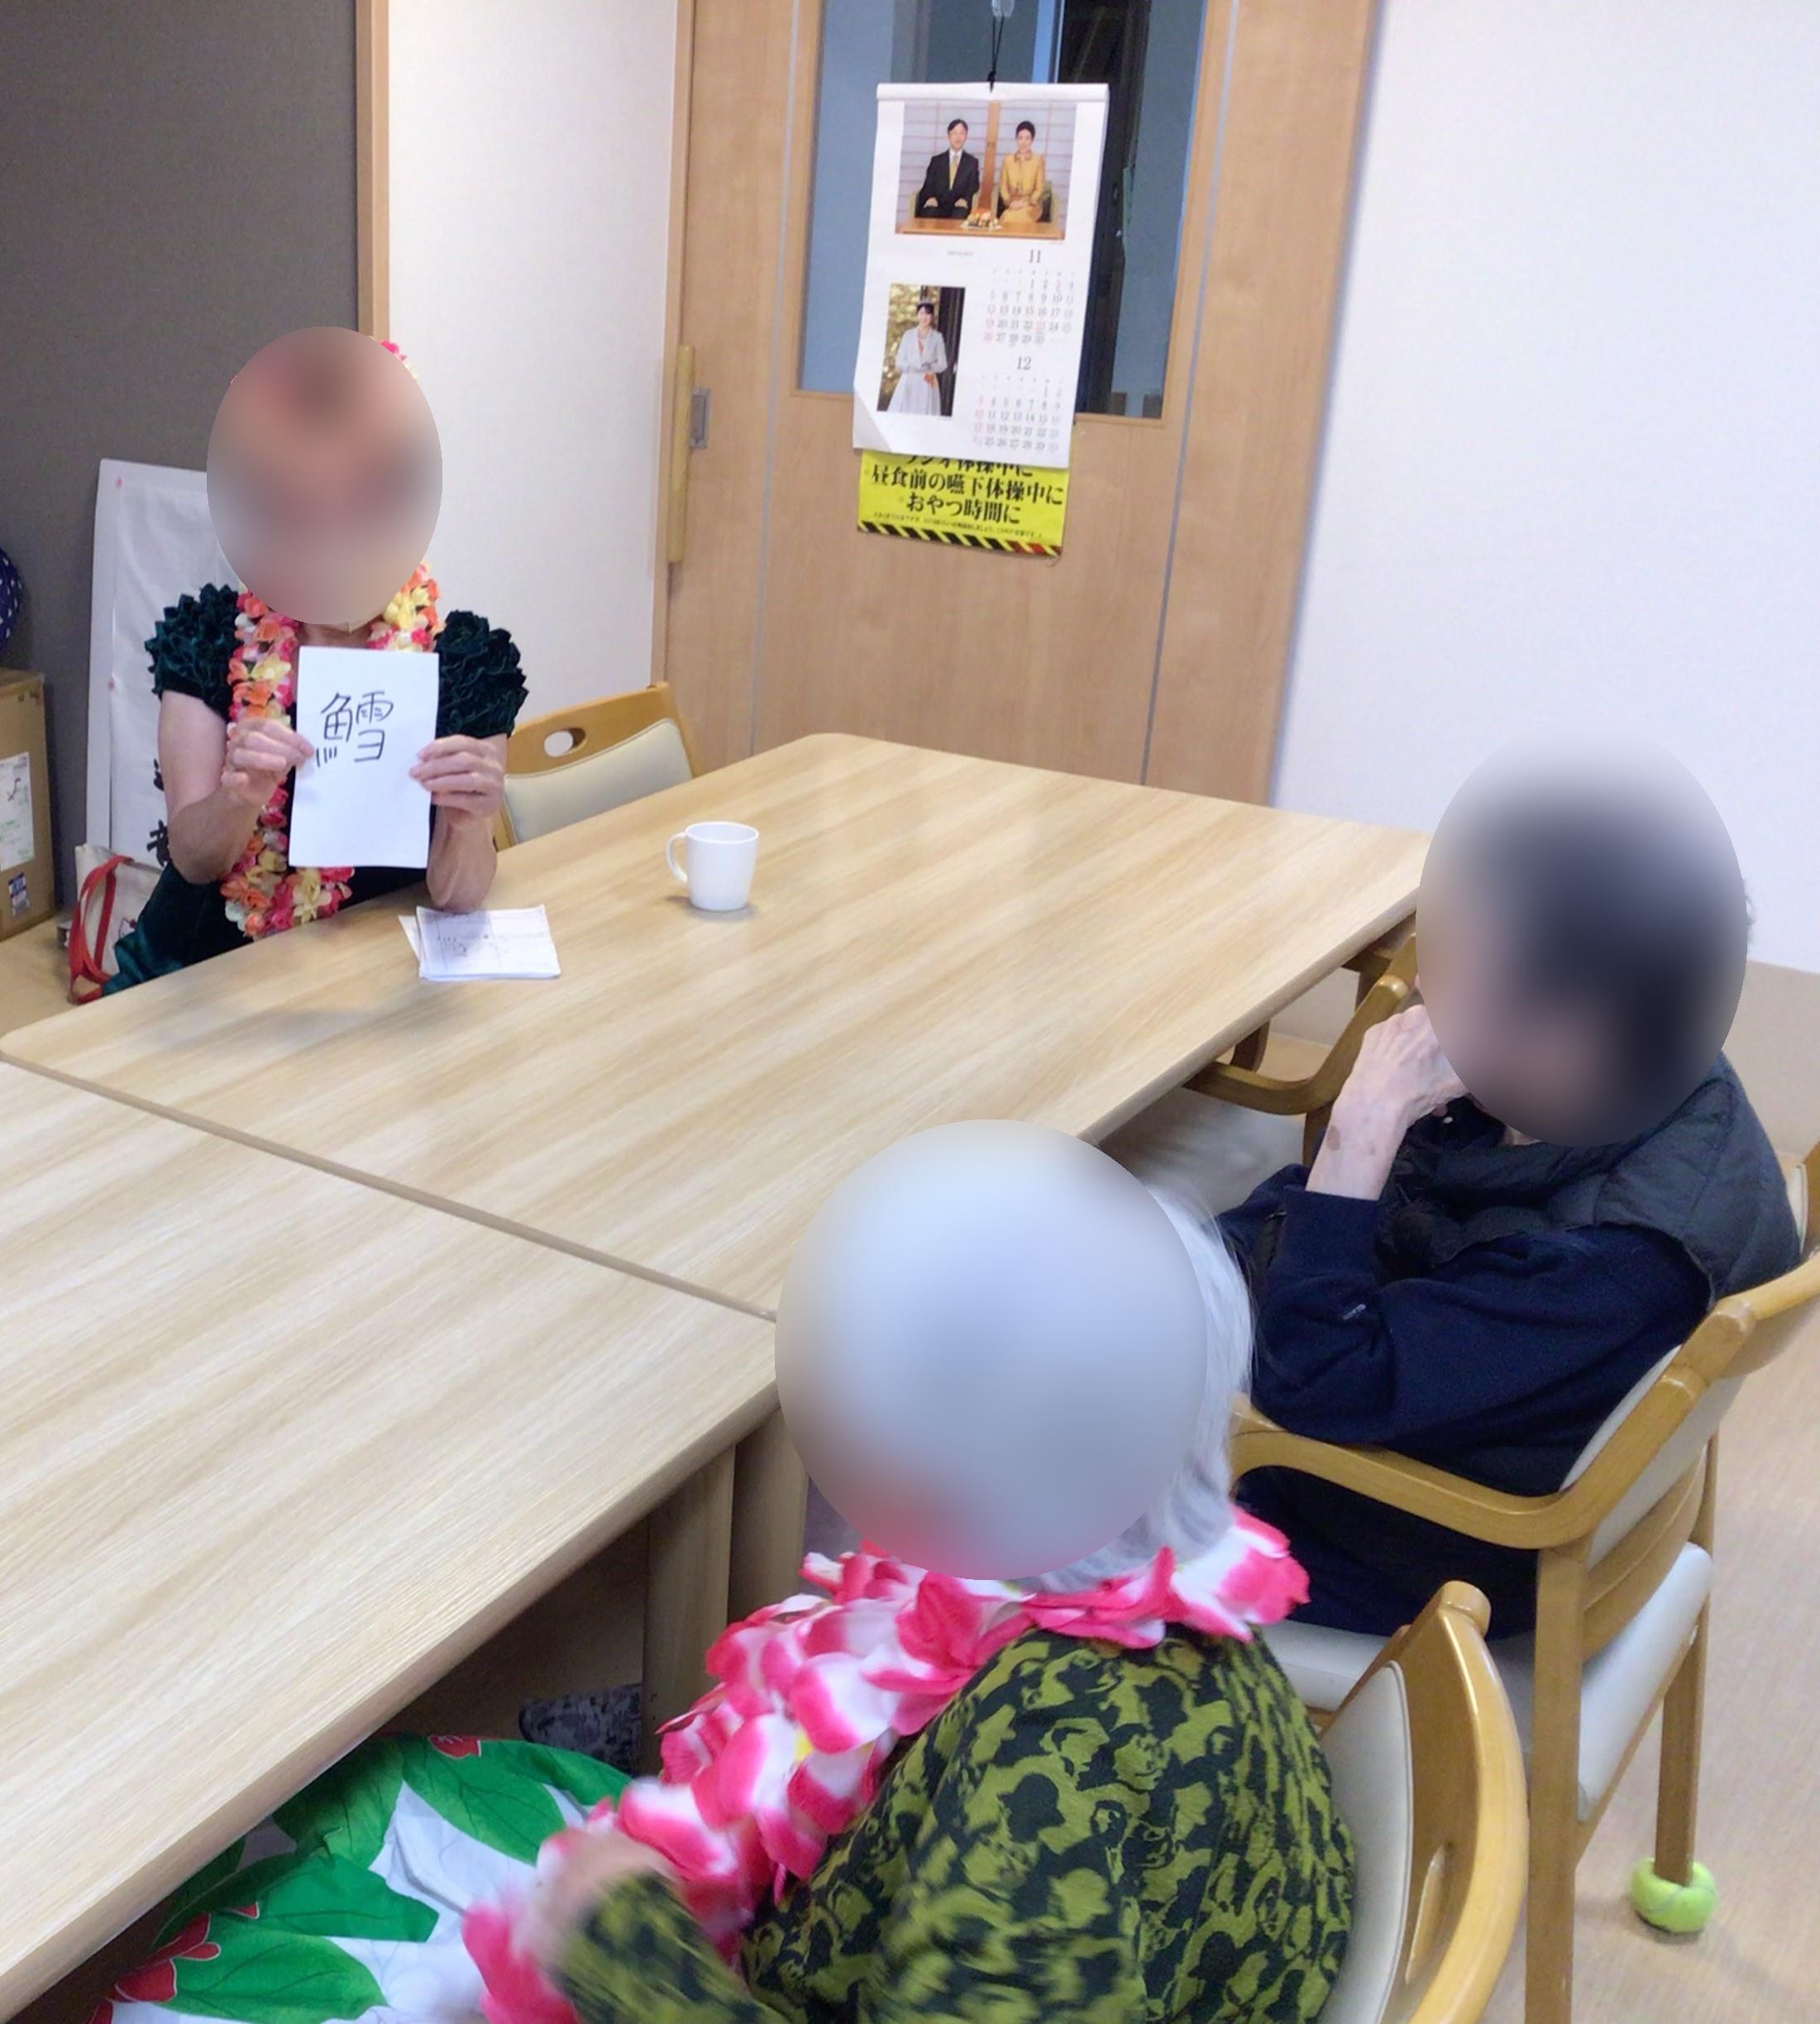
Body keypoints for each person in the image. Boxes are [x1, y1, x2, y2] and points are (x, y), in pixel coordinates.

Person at [90, 1126, 1353, 2024]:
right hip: (875, 1926)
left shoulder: (1051, 1775)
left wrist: (622, 1949)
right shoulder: (1161, 1577)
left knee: (257, 1921)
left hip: (775, 1972)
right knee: (370, 1789)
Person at [1223, 744, 1799, 1638]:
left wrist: (1360, 1131)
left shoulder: (1611, 1261)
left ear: (1571, 1027)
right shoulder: (1642, 1066)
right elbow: (1384, 1214)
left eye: (1465, 974)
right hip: (1465, 1420)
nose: (1429, 990)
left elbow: (1317, 1386)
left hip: (1422, 1541)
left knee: (1042, 1503)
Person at [107, 331, 526, 990]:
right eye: (306, 510)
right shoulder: (212, 639)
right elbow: (193, 859)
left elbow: (459, 894)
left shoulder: (462, 662)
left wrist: (470, 823)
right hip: (212, 965)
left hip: (377, 968)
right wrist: (239, 795)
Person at [884, 300, 948, 416]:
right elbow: (899, 361)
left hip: (927, 381)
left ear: (932, 316)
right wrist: (911, 366)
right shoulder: (908, 335)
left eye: (928, 314)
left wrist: (929, 367)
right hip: (909, 380)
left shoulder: (937, 337)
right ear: (917, 315)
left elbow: (943, 364)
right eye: (921, 313)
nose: (924, 317)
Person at [910, 117, 978, 221]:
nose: (958, 137)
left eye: (962, 133)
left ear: (966, 136)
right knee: (929, 212)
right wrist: (930, 197)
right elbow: (928, 184)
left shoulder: (972, 162)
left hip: (959, 204)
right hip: (937, 203)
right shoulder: (936, 161)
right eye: (954, 133)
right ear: (948, 136)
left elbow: (973, 186)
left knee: (960, 214)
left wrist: (965, 199)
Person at [996, 118, 1052, 227]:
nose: (1023, 142)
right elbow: (1003, 187)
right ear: (1016, 139)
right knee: (1009, 215)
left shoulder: (1038, 160)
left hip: (1031, 206)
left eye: (1027, 138)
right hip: (1012, 205)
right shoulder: (1008, 160)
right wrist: (1010, 203)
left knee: (1012, 217)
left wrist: (1026, 203)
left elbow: (1039, 188)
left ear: (1032, 140)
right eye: (1020, 138)